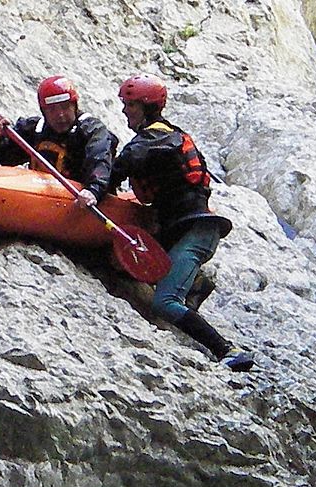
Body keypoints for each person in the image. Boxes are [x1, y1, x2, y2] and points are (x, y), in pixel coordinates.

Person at [82, 74, 253, 372]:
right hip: (178, 228)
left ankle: (227, 350)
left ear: (147, 107)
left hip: (195, 232)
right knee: (120, 261)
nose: (124, 111)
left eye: (130, 106)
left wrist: (92, 189)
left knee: (164, 302)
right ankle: (196, 285)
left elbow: (120, 167)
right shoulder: (167, 135)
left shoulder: (156, 139)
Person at [0, 75, 118, 192]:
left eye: (65, 107)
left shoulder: (92, 130)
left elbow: (99, 159)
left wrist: (94, 190)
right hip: (43, 196)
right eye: (52, 110)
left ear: (75, 106)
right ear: (43, 111)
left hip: (85, 197)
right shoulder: (35, 129)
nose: (60, 115)